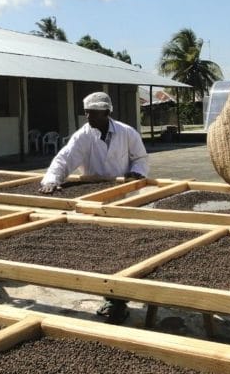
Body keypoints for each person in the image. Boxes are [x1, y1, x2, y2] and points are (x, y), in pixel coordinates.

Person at [39, 91, 149, 324]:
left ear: (107, 113)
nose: (89, 119)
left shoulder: (127, 132)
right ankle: (111, 296)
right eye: (87, 114)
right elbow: (64, 159)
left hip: (124, 198)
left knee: (125, 249)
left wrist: (137, 173)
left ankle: (120, 298)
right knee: (102, 250)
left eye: (94, 115)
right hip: (95, 200)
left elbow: (140, 158)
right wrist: (51, 180)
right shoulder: (83, 136)